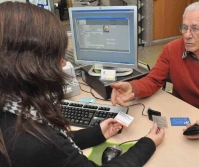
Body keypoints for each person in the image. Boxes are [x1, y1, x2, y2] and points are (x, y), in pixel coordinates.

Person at [0, 2, 165, 167]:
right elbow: (52, 148)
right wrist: (148, 143)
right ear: (33, 65)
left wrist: (97, 133)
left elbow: (56, 147)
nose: (64, 63)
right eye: (57, 56)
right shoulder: (34, 143)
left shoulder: (11, 111)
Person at [111, 1, 199, 139]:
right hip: (179, 112)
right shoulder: (171, 49)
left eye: (195, 29)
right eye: (184, 27)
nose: (187, 35)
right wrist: (132, 87)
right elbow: (153, 80)